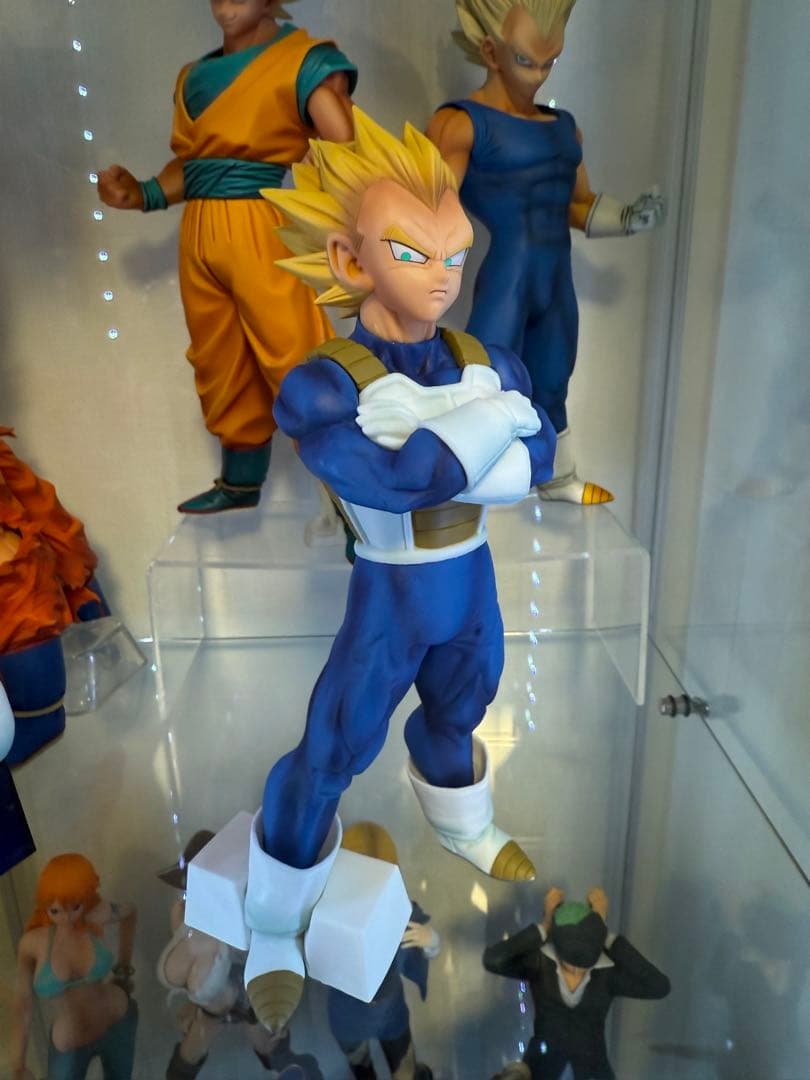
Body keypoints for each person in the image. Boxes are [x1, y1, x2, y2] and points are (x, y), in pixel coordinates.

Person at [238, 106, 556, 1033]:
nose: (444, 276)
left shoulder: (483, 357)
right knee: (332, 749)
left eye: (455, 252)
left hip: (469, 581)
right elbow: (401, 482)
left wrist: (452, 429)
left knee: (467, 702)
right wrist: (493, 420)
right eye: (413, 254)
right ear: (349, 260)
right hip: (390, 590)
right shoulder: (325, 382)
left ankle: (461, 823)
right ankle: (273, 920)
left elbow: (535, 463)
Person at [97, 0, 356, 513]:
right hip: (199, 233)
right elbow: (195, 163)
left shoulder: (302, 60)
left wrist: (348, 213)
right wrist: (143, 193)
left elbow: (346, 149)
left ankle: (356, 495)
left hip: (260, 224)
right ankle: (241, 480)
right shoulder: (193, 76)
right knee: (220, 356)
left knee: (295, 353)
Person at [427, 0, 665, 504]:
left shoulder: (563, 128)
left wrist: (628, 217)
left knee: (555, 375)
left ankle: (554, 476)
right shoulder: (461, 123)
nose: (537, 76)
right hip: (510, 273)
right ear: (490, 51)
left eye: (548, 62)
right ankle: (468, 478)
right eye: (525, 61)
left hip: (555, 275)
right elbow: (429, 209)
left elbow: (577, 204)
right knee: (485, 376)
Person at [156, 831, 323, 1079]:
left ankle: (284, 1062)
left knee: (269, 1045)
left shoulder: (245, 911)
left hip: (248, 993)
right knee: (193, 1048)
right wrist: (194, 1001)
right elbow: (189, 963)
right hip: (212, 999)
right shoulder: (181, 912)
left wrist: (268, 1005)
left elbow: (265, 954)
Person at [483, 885, 670, 1079]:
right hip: (542, 1060)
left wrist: (606, 936)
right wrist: (545, 926)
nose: (576, 971)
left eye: (584, 966)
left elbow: (659, 986)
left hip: (592, 1063)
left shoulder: (607, 974)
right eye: (569, 965)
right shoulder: (541, 964)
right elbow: (493, 960)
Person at [11, 853, 138, 1080]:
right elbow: (24, 1004)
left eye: (75, 907)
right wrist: (18, 1063)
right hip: (69, 1043)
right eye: (55, 911)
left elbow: (130, 912)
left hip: (117, 1020)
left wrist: (123, 968)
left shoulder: (96, 915)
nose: (66, 918)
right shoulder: (32, 944)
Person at [327, 823, 437, 1080]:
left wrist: (431, 941)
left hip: (389, 1012)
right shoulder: (330, 918)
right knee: (363, 1069)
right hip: (349, 1016)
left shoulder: (398, 910)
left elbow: (425, 941)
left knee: (404, 1070)